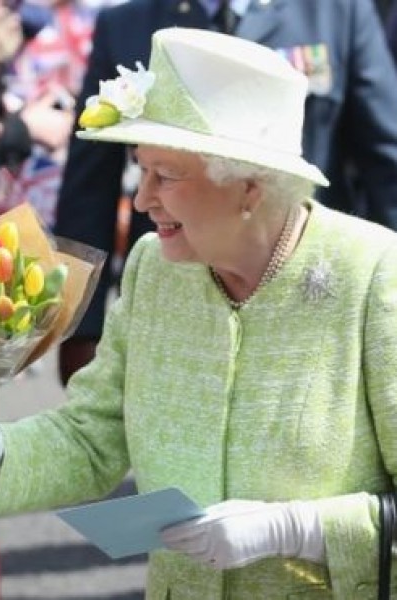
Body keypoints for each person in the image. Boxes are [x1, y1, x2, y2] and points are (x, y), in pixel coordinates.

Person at [0, 28, 397, 598]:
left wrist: (297, 530)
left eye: (165, 176)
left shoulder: (374, 275)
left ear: (249, 187)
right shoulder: (155, 266)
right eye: (140, 169)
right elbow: (93, 435)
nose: (142, 198)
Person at [53, 0, 397, 385]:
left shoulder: (336, 12)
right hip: (177, 289)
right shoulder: (129, 22)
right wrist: (80, 327)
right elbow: (89, 189)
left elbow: (387, 158)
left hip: (312, 291)